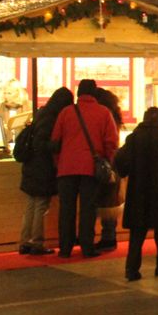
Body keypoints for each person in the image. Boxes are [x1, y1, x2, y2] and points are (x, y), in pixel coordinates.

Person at [50, 79, 119, 259]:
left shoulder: (66, 112)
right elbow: (111, 142)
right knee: (88, 209)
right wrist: (107, 162)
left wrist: (59, 162)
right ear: (94, 93)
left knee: (67, 209)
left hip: (66, 167)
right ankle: (87, 247)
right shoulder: (104, 113)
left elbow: (55, 141)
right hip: (90, 168)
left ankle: (65, 248)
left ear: (79, 92)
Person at [114, 107, 158, 281]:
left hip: (138, 190)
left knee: (137, 232)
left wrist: (125, 172)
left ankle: (132, 268)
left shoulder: (135, 136)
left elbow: (120, 160)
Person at [13, 87, 72, 256]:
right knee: (40, 205)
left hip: (32, 167)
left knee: (31, 205)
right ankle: (36, 242)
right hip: (42, 168)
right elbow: (42, 144)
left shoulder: (41, 113)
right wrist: (57, 146)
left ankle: (25, 241)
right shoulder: (51, 118)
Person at [91, 88, 125, 252]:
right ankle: (109, 235)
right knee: (110, 201)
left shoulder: (102, 115)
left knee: (100, 200)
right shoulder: (114, 115)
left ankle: (107, 236)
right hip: (112, 163)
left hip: (103, 163)